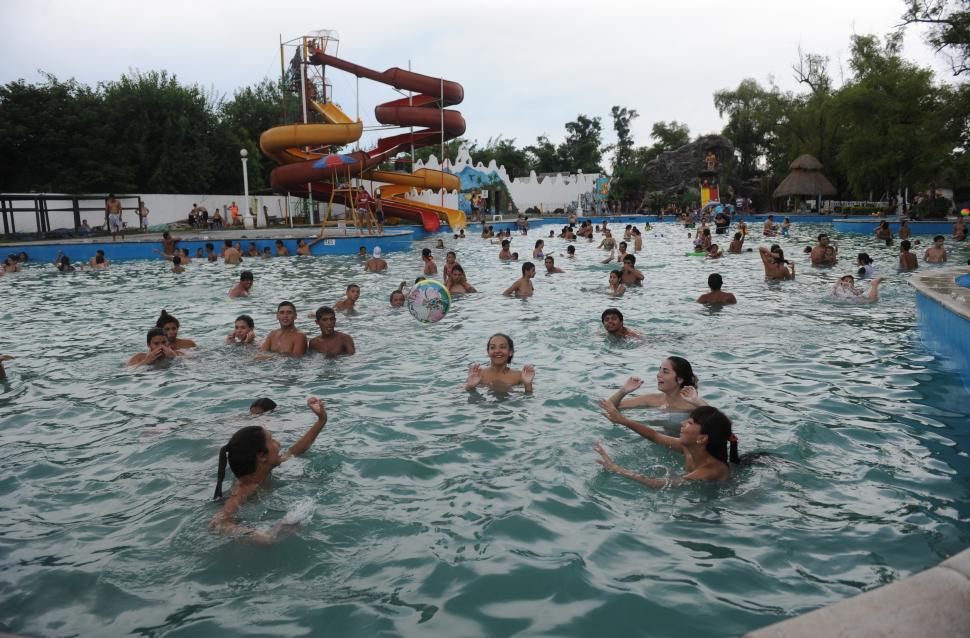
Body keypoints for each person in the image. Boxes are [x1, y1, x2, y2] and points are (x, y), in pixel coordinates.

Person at [210, 397, 328, 542]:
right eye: (272, 440)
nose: (278, 443)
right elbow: (217, 523)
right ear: (261, 456)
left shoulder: (265, 469)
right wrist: (263, 536)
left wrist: (321, 420)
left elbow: (295, 451)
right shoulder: (244, 490)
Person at [594, 405, 741, 487]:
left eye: (689, 423)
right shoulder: (688, 448)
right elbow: (655, 436)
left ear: (701, 438)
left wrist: (616, 469)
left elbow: (661, 485)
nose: (683, 423)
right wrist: (623, 420)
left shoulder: (711, 470)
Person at [602, 357, 708, 413]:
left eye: (665, 372)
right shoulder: (652, 399)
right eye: (659, 370)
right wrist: (623, 391)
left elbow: (720, 423)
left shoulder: (692, 406)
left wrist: (697, 402)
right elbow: (609, 407)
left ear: (680, 379)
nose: (658, 375)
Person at [464, 333, 535, 392]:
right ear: (488, 352)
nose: (497, 351)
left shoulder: (519, 377)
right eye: (492, 347)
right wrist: (470, 386)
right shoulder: (478, 375)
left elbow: (528, 400)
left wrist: (528, 384)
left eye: (503, 347)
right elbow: (456, 394)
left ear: (510, 352)